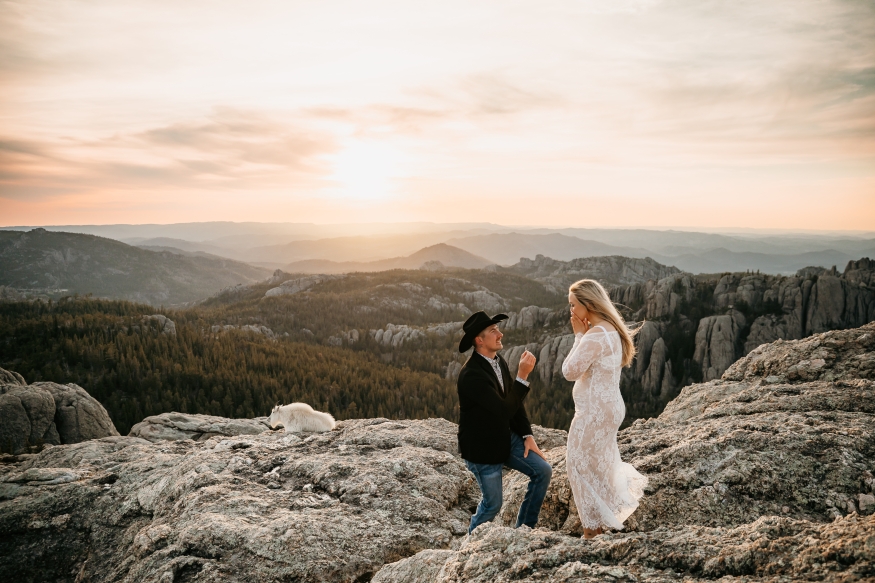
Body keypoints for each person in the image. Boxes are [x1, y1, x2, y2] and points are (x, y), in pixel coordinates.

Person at [562, 279, 647, 539]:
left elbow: (569, 371)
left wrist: (578, 335)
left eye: (573, 305)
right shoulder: (612, 330)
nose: (571, 311)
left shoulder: (595, 335)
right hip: (611, 408)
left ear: (588, 304)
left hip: (593, 412)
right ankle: (603, 521)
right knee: (600, 465)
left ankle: (592, 530)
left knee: (577, 465)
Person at [456, 311, 553, 534]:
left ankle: (524, 531)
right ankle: (470, 546)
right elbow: (502, 411)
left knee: (543, 471)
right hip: (482, 449)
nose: (501, 334)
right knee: (493, 505)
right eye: (493, 331)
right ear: (479, 340)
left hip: (504, 438)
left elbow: (514, 403)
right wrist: (522, 376)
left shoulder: (498, 362)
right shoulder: (471, 375)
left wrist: (527, 436)